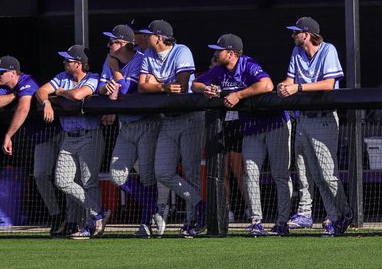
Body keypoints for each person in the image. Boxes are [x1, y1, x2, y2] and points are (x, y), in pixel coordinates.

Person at [191, 34, 292, 236]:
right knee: (250, 174)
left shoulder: (247, 63)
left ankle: (283, 221)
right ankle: (256, 221)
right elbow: (195, 84)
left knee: (280, 174)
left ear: (230, 53)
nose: (215, 53)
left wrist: (238, 94)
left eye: (218, 49)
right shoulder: (219, 70)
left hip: (274, 123)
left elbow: (267, 85)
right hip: (251, 128)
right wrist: (207, 89)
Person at [276, 16, 351, 236]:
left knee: (328, 174)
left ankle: (345, 212)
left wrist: (297, 87)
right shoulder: (297, 52)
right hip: (304, 120)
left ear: (307, 34)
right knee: (316, 176)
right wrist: (283, 86)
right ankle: (334, 219)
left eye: (296, 32)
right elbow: (290, 80)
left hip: (324, 117)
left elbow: (329, 84)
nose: (293, 36)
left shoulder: (328, 50)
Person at [0, 55, 70, 236]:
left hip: (59, 132)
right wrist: (13, 95)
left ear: (13, 73)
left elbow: (24, 108)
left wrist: (9, 135)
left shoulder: (27, 80)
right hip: (41, 137)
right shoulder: (3, 86)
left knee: (65, 178)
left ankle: (74, 219)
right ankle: (57, 215)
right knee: (40, 175)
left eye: (1, 72)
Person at [137, 19, 205, 238]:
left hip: (190, 118)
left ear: (159, 37)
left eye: (149, 35)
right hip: (168, 119)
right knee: (163, 172)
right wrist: (162, 86)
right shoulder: (149, 54)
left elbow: (182, 86)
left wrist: (156, 84)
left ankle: (192, 219)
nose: (145, 38)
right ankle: (201, 206)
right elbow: (142, 86)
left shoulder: (181, 51)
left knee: (192, 171)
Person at [34, 45, 106, 239]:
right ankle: (97, 212)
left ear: (79, 63)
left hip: (89, 134)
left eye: (68, 60)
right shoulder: (61, 77)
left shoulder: (93, 77)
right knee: (62, 181)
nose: (64, 63)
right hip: (69, 137)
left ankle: (92, 224)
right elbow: (41, 91)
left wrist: (61, 93)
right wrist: (48, 101)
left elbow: (77, 95)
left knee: (89, 182)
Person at [98, 24, 162, 238]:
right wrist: (104, 88)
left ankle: (145, 223)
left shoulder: (140, 59)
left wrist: (115, 69)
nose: (109, 45)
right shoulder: (109, 60)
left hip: (147, 122)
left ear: (125, 43)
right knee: (117, 175)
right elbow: (100, 86)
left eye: (114, 41)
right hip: (125, 124)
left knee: (146, 175)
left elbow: (126, 89)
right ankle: (155, 209)